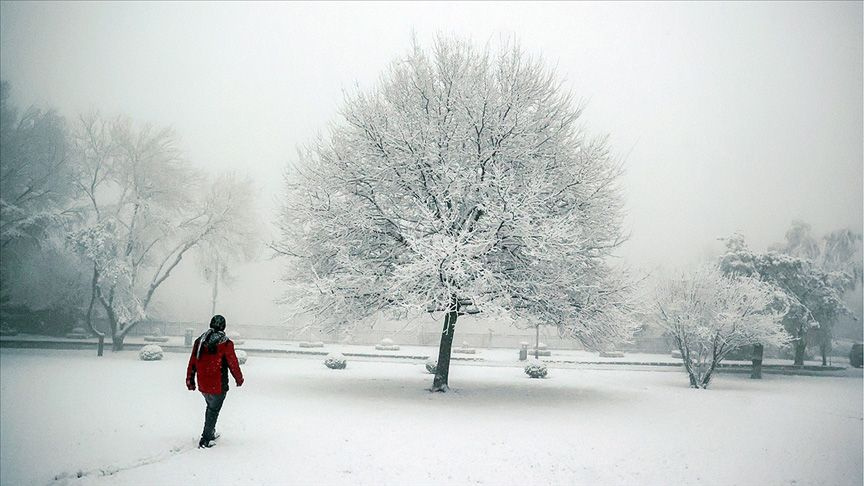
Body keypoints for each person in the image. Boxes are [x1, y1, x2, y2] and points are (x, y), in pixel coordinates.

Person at [186, 314, 244, 448]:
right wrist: (239, 379)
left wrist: (190, 380)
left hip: (203, 384)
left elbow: (193, 361)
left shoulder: (200, 341)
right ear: (223, 326)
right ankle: (206, 439)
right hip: (218, 385)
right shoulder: (226, 343)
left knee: (211, 408)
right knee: (213, 410)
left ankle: (210, 432)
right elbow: (233, 363)